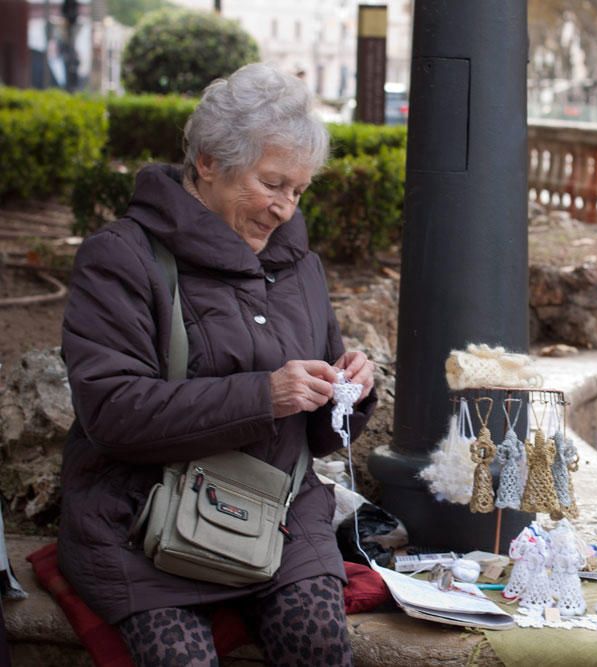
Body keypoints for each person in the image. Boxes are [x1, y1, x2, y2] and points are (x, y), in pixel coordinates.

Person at [58, 63, 377, 666]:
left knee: (319, 643)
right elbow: (110, 410)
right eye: (272, 183)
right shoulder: (121, 258)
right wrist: (264, 396)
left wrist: (347, 394)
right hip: (142, 518)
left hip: (279, 516)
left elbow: (317, 435)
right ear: (208, 161)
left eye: (299, 191)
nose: (285, 208)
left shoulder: (299, 265)